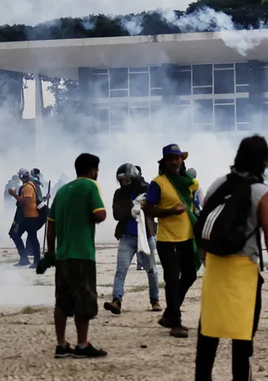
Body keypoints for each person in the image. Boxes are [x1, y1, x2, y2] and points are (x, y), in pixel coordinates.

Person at [195, 135, 268, 381]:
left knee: (208, 331)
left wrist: (205, 256)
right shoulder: (261, 192)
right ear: (264, 161)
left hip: (215, 266)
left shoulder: (217, 184)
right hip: (243, 270)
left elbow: (205, 223)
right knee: (242, 334)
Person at [45, 153, 107, 359]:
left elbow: (51, 225)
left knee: (62, 301)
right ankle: (82, 345)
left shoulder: (61, 191)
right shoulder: (91, 186)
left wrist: (51, 252)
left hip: (63, 255)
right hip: (82, 254)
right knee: (84, 299)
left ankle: (61, 345)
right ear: (93, 171)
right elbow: (100, 214)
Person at [144, 144, 199, 338]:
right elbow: (148, 209)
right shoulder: (157, 183)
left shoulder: (188, 182)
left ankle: (169, 314)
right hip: (167, 239)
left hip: (187, 237)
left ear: (182, 161)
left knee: (190, 275)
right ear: (165, 162)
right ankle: (176, 323)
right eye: (171, 159)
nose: (175, 162)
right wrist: (169, 212)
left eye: (178, 158)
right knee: (172, 280)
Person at [104, 164, 161, 315]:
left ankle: (154, 299)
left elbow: (155, 207)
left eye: (127, 179)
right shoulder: (119, 194)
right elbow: (117, 213)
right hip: (127, 238)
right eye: (122, 180)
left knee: (152, 270)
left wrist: (143, 204)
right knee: (120, 270)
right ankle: (116, 301)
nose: (125, 183)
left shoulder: (147, 189)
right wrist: (132, 207)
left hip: (146, 235)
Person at [8, 168, 41, 268]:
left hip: (30, 217)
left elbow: (25, 202)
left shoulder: (28, 187)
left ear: (21, 177)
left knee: (32, 238)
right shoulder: (26, 186)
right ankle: (24, 259)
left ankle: (37, 261)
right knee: (15, 234)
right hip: (25, 217)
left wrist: (13, 194)